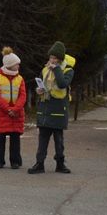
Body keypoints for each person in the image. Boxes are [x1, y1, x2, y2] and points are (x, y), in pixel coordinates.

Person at [29, 41, 75, 174]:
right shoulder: (45, 70)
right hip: (45, 108)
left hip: (59, 109)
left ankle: (60, 164)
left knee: (58, 139)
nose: (52, 60)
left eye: (55, 58)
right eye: (51, 58)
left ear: (60, 59)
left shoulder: (68, 70)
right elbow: (41, 83)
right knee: (42, 137)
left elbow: (62, 84)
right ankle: (39, 163)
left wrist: (56, 69)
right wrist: (39, 90)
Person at [0, 47, 26, 169]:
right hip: (2, 113)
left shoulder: (20, 78)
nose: (18, 66)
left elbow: (23, 96)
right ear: (10, 65)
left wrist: (15, 109)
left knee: (15, 138)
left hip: (16, 113)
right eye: (16, 64)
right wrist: (7, 109)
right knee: (0, 138)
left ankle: (15, 161)